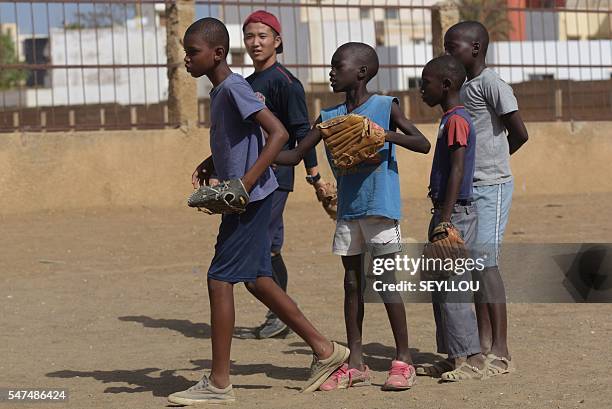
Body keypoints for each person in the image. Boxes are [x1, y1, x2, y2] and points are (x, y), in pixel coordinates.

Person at [167, 17, 349, 406]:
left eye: (192, 52)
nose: (185, 59)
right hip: (246, 198)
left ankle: (219, 383)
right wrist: (212, 161)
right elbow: (240, 138)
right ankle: (326, 350)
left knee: (219, 279)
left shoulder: (234, 87)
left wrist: (245, 184)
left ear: (216, 53)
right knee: (258, 279)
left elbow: (279, 132)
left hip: (252, 198)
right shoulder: (222, 91)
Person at [276, 42, 430, 391]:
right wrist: (258, 157)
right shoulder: (329, 118)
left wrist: (384, 135)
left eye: (337, 66)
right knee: (351, 284)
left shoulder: (383, 106)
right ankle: (356, 363)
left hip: (380, 208)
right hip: (348, 211)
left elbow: (422, 143)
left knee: (386, 283)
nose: (331, 72)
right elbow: (297, 153)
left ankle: (403, 359)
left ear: (360, 72)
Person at [444, 21, 528, 375]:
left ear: (476, 48)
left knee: (485, 263)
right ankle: (480, 343)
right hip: (468, 189)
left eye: (454, 48)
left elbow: (519, 133)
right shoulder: (460, 88)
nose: (448, 54)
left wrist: (493, 162)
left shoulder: (491, 84)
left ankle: (502, 350)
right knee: (472, 266)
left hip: (491, 185)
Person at [239, 10, 329, 339]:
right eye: (250, 36)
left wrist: (315, 177)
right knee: (270, 245)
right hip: (252, 176)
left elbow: (304, 134)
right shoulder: (246, 84)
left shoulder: (286, 83)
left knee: (262, 245)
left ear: (277, 40)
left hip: (277, 176)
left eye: (262, 35)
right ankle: (278, 316)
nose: (255, 42)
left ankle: (280, 316)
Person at [417, 55, 487, 381]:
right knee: (440, 288)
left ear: (445, 85)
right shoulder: (449, 118)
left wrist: (445, 220)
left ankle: (471, 361)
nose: (420, 88)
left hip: (454, 213)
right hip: (444, 212)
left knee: (455, 288)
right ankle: (453, 355)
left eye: (425, 82)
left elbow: (458, 168)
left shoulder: (458, 119)